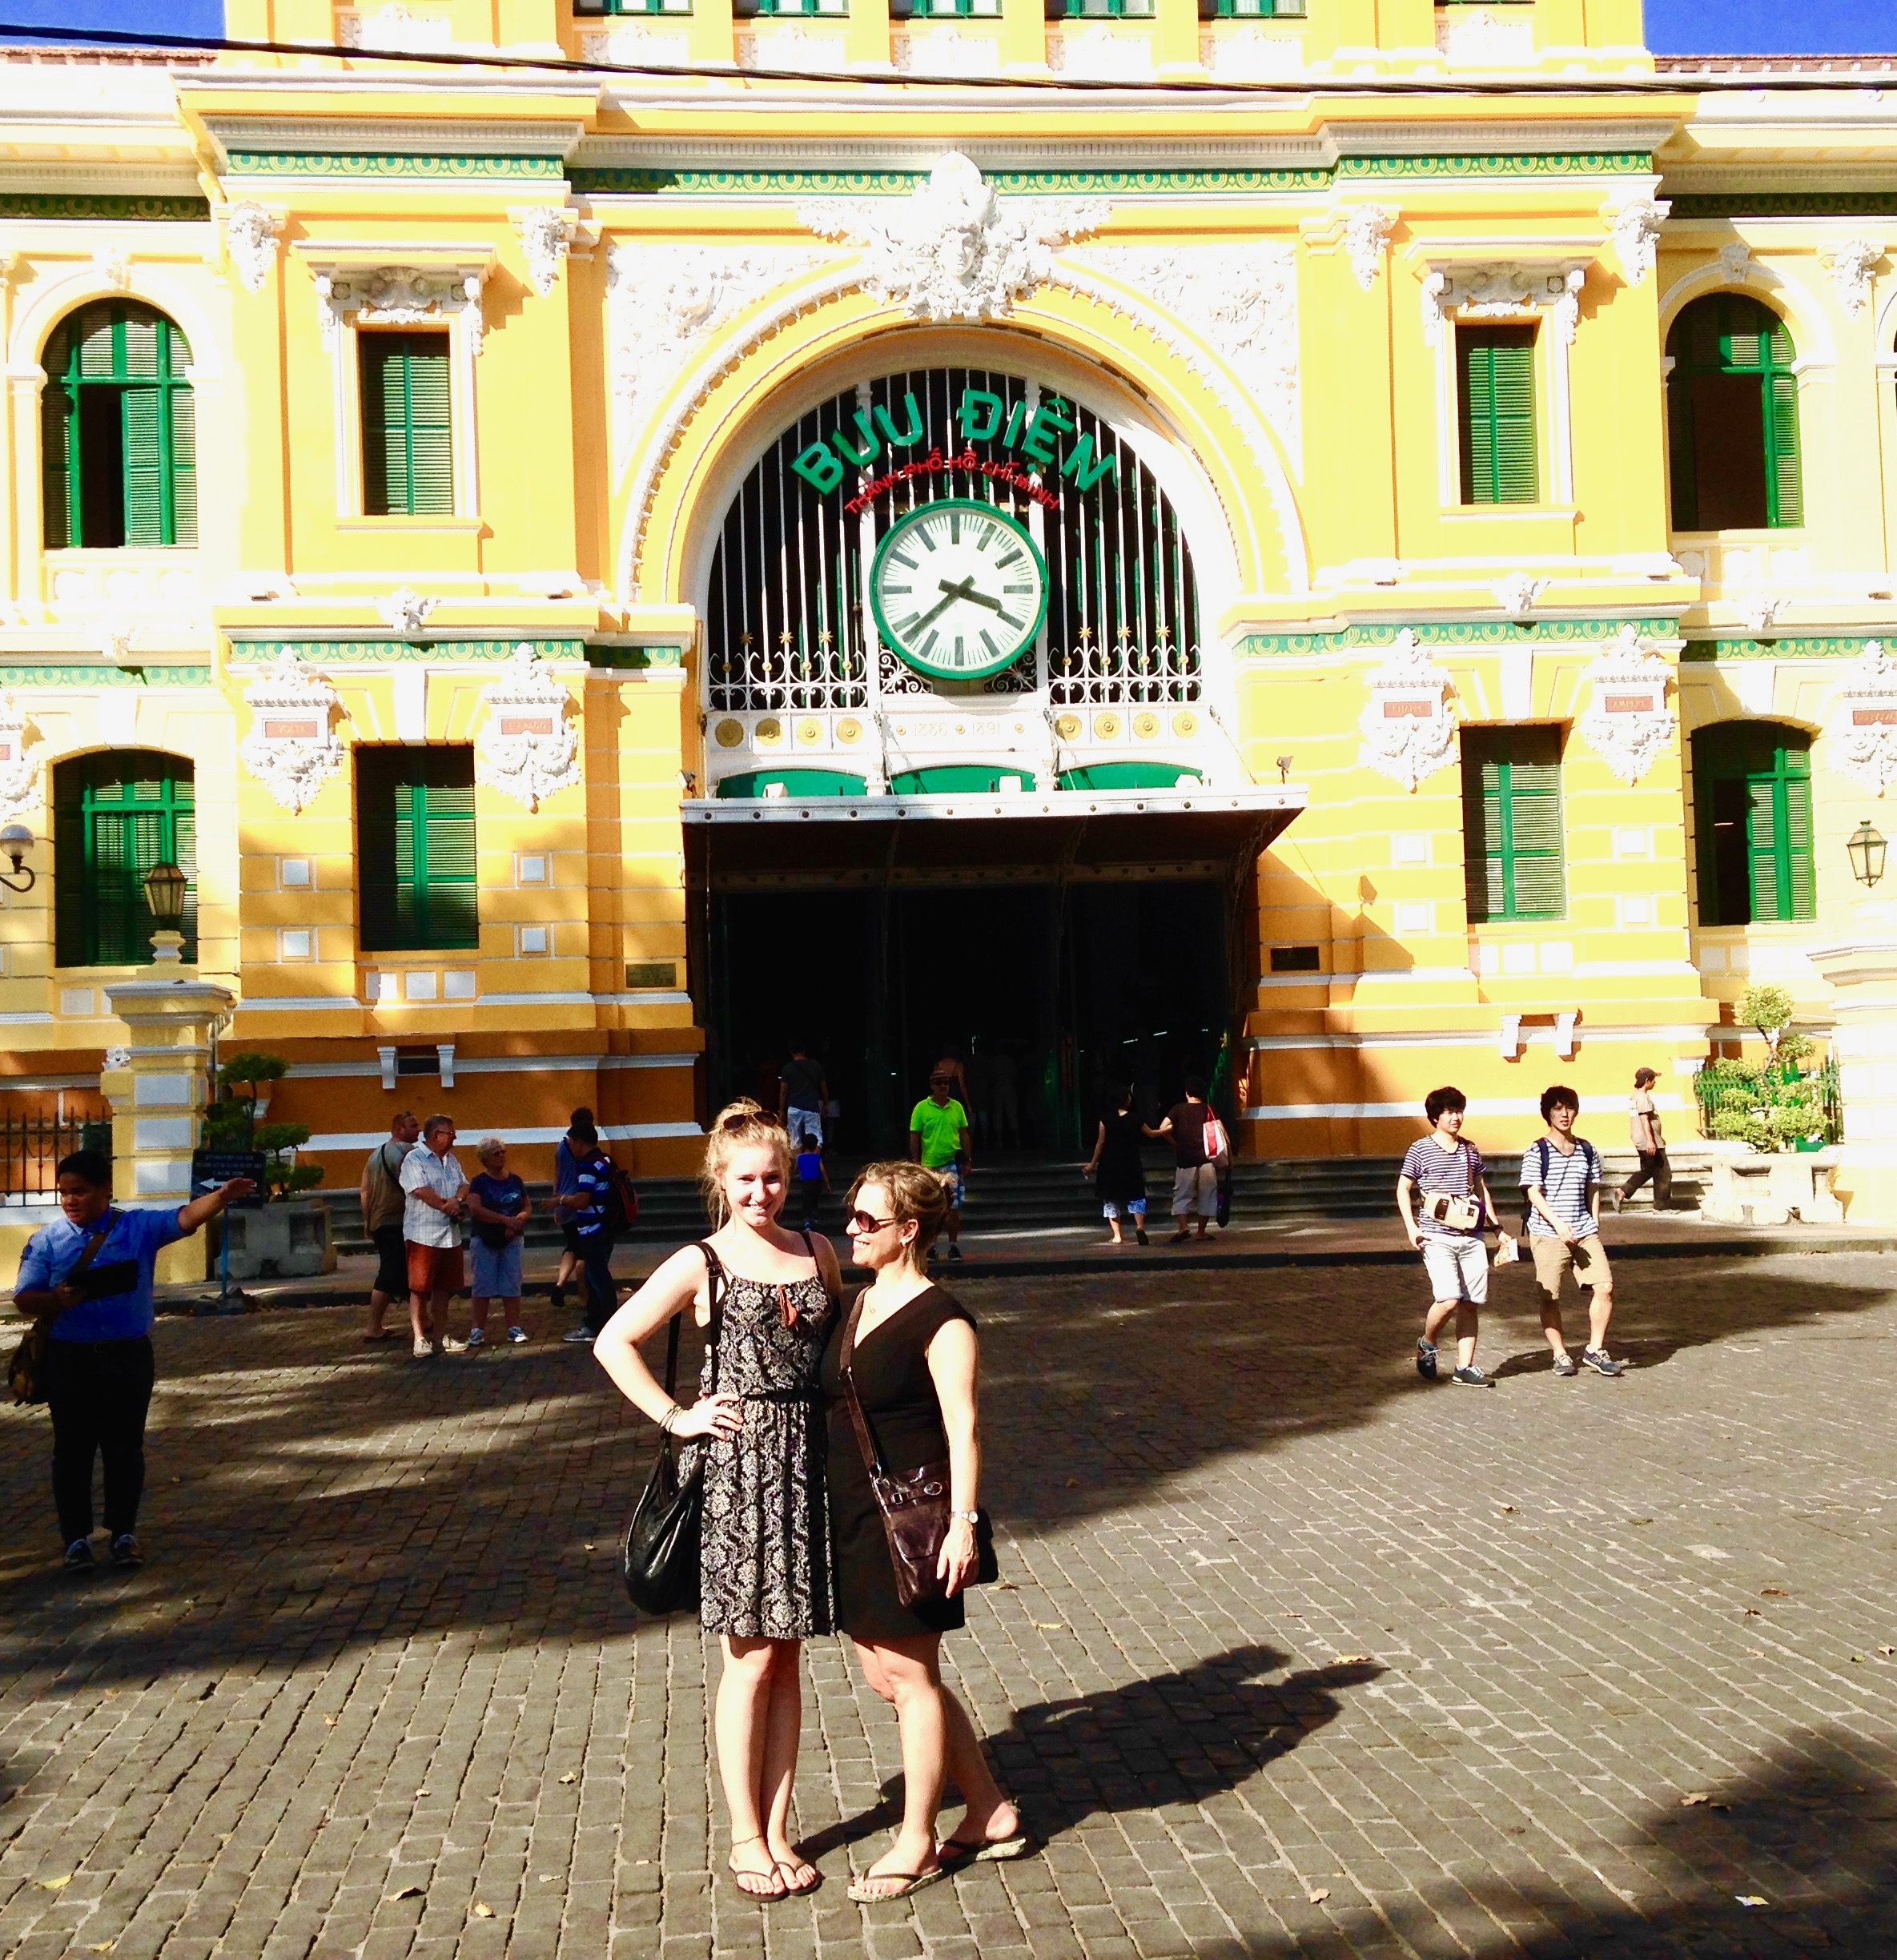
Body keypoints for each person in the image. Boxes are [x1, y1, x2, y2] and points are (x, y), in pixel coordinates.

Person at [593, 1100, 841, 1902]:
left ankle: (779, 1828)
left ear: (789, 1176)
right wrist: (676, 1416)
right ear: (720, 1181)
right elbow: (613, 1341)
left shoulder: (817, 1250)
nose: (760, 1193)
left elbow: (832, 1354)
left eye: (773, 1178)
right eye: (745, 1180)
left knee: (788, 1653)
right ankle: (744, 1835)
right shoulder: (700, 1260)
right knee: (750, 1656)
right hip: (737, 1470)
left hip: (805, 1461)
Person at [825, 1162, 1026, 1902]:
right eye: (851, 1215)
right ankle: (990, 1809)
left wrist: (963, 1527)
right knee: (889, 1677)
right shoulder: (857, 1301)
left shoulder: (944, 1320)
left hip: (914, 1522)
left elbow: (963, 1429)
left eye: (866, 1221)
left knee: (910, 1679)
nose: (851, 1230)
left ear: (908, 1230)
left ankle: (917, 1842)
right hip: (853, 1514)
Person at [14, 1148, 255, 1572]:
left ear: (105, 1190)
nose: (70, 1200)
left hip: (128, 1358)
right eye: (64, 1193)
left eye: (79, 1192)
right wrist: (55, 1300)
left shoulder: (137, 1228)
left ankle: (123, 1534)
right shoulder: (47, 1241)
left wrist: (221, 1197)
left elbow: (184, 1219)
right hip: (69, 1360)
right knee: (72, 1451)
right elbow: (24, 1297)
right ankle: (76, 1541)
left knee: (124, 1448)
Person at [1397, 1086, 1499, 1387]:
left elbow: (1480, 1189)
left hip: (1471, 1236)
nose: (1456, 1117)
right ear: (1435, 1117)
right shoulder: (1420, 1149)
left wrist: (1496, 1227)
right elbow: (1403, 1188)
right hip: (1436, 1236)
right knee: (1449, 1299)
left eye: (1459, 1111)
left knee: (1470, 1302)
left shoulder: (1470, 1149)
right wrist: (1412, 1228)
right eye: (1449, 1112)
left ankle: (1464, 1367)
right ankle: (1428, 1342)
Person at [1522, 1086, 1624, 1378]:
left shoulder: (1587, 1150)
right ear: (1548, 1114)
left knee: (1605, 1286)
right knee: (1549, 1296)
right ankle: (1560, 1353)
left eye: (1569, 1108)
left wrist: (1594, 1221)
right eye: (1557, 1109)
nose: (1565, 1114)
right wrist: (1557, 1223)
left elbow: (1593, 1188)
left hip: (1584, 1231)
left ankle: (1595, 1349)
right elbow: (1533, 1192)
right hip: (1548, 1232)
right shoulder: (1537, 1150)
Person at [400, 1115, 468, 1359]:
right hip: (423, 1234)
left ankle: (440, 1336)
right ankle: (419, 1338)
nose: (454, 1137)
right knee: (419, 1288)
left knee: (444, 1287)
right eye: (450, 1133)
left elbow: (464, 1185)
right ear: (435, 1134)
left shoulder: (452, 1160)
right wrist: (445, 1206)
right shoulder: (414, 1159)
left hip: (449, 1235)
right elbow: (420, 1190)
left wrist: (456, 1200)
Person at [554, 1121, 620, 1346]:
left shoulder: (588, 1166)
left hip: (593, 1229)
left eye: (571, 1142)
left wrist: (561, 1200)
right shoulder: (605, 1160)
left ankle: (603, 1325)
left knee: (598, 1281)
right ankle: (598, 1323)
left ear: (580, 1142)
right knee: (597, 1278)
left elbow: (583, 1200)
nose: (570, 1147)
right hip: (606, 1227)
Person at [359, 1111, 420, 1342]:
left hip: (379, 1221)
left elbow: (364, 1191)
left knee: (402, 1271)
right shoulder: (407, 1153)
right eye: (413, 1126)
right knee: (389, 1273)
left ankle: (423, 1319)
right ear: (400, 1130)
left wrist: (367, 1221)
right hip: (397, 1220)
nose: (419, 1130)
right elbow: (416, 1186)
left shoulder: (375, 1154)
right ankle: (373, 1327)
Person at [465, 1136, 529, 1347]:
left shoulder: (516, 1180)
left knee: (512, 1283)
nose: (501, 1156)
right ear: (485, 1158)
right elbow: (476, 1209)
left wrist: (517, 1221)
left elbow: (526, 1205)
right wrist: (505, 1220)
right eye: (496, 1153)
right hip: (485, 1239)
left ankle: (514, 1327)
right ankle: (477, 1329)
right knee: (482, 1284)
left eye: (503, 1152)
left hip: (513, 1239)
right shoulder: (479, 1182)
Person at [1148, 1075, 1221, 1243]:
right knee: (1207, 1195)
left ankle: (1183, 1227)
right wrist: (1229, 1159)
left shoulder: (1178, 1109)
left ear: (1187, 1092)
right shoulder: (1209, 1109)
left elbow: (1163, 1128)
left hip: (1185, 1159)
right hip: (1206, 1159)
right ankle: (1201, 1232)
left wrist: (1175, 1143)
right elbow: (1221, 1132)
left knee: (1181, 1195)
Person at [909, 1070, 971, 1261]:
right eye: (939, 1083)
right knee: (931, 1209)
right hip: (929, 1166)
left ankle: (953, 1246)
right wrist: (916, 1163)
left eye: (946, 1082)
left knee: (954, 1208)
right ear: (932, 1086)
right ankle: (931, 1247)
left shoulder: (957, 1107)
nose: (943, 1086)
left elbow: (964, 1133)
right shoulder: (921, 1108)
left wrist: (968, 1159)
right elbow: (915, 1136)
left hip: (953, 1163)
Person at [1082, 1085, 1149, 1247]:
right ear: (1126, 1100)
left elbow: (1101, 1143)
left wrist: (1092, 1164)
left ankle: (1118, 1236)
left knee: (1111, 1199)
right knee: (1136, 1196)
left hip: (1109, 1164)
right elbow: (1151, 1133)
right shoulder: (1136, 1118)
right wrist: (1166, 1130)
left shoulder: (1105, 1119)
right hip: (1131, 1162)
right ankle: (1140, 1227)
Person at [549, 1108, 593, 1323]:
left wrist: (556, 1201)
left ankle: (560, 1284)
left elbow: (557, 1176)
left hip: (562, 1201)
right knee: (583, 1253)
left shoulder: (561, 1146)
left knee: (571, 1246)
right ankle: (585, 1299)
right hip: (577, 1202)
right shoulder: (581, 1148)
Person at [1617, 1067, 1672, 1212]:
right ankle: (1661, 1207)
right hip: (1649, 1141)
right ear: (1647, 1080)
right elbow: (1644, 1119)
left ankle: (1623, 1191)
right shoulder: (1642, 1097)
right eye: (1653, 1080)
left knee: (1648, 1170)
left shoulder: (1634, 1096)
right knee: (1664, 1173)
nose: (1655, 1083)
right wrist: (1651, 1141)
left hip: (1642, 1139)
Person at [778, 1046, 830, 1150]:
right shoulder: (815, 1065)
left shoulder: (788, 1068)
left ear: (791, 1052)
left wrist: (781, 1110)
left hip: (794, 1107)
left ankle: (798, 1160)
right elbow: (824, 1087)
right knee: (815, 1138)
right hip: (812, 1107)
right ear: (804, 1050)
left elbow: (783, 1092)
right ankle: (814, 1159)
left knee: (794, 1140)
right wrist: (826, 1104)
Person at [794, 1130, 829, 1232]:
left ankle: (807, 1223)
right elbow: (822, 1170)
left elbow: (796, 1169)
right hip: (817, 1182)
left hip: (805, 1183)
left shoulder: (800, 1157)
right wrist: (827, 1184)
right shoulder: (817, 1157)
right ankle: (815, 1218)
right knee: (814, 1200)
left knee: (806, 1202)